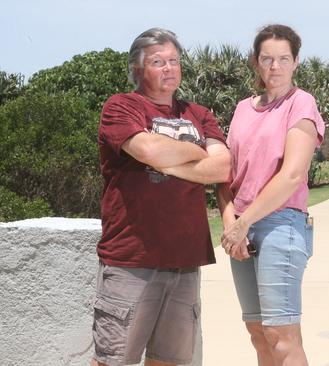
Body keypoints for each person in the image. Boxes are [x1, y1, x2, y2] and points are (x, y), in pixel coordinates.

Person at [93, 27, 231, 366]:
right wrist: (197, 152)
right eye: (158, 62)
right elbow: (150, 149)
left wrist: (170, 161)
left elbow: (223, 168)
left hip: (184, 260)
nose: (169, 68)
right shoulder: (121, 107)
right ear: (138, 70)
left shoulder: (199, 114)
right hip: (131, 261)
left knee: (171, 360)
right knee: (113, 359)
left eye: (174, 61)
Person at [216, 24, 325, 366]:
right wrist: (230, 220)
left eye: (283, 59)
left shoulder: (301, 104)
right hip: (241, 228)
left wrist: (243, 222)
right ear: (256, 62)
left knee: (281, 335)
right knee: (258, 332)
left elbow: (291, 176)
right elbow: (227, 173)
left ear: (295, 62)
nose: (274, 67)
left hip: (280, 224)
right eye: (267, 59)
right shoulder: (242, 109)